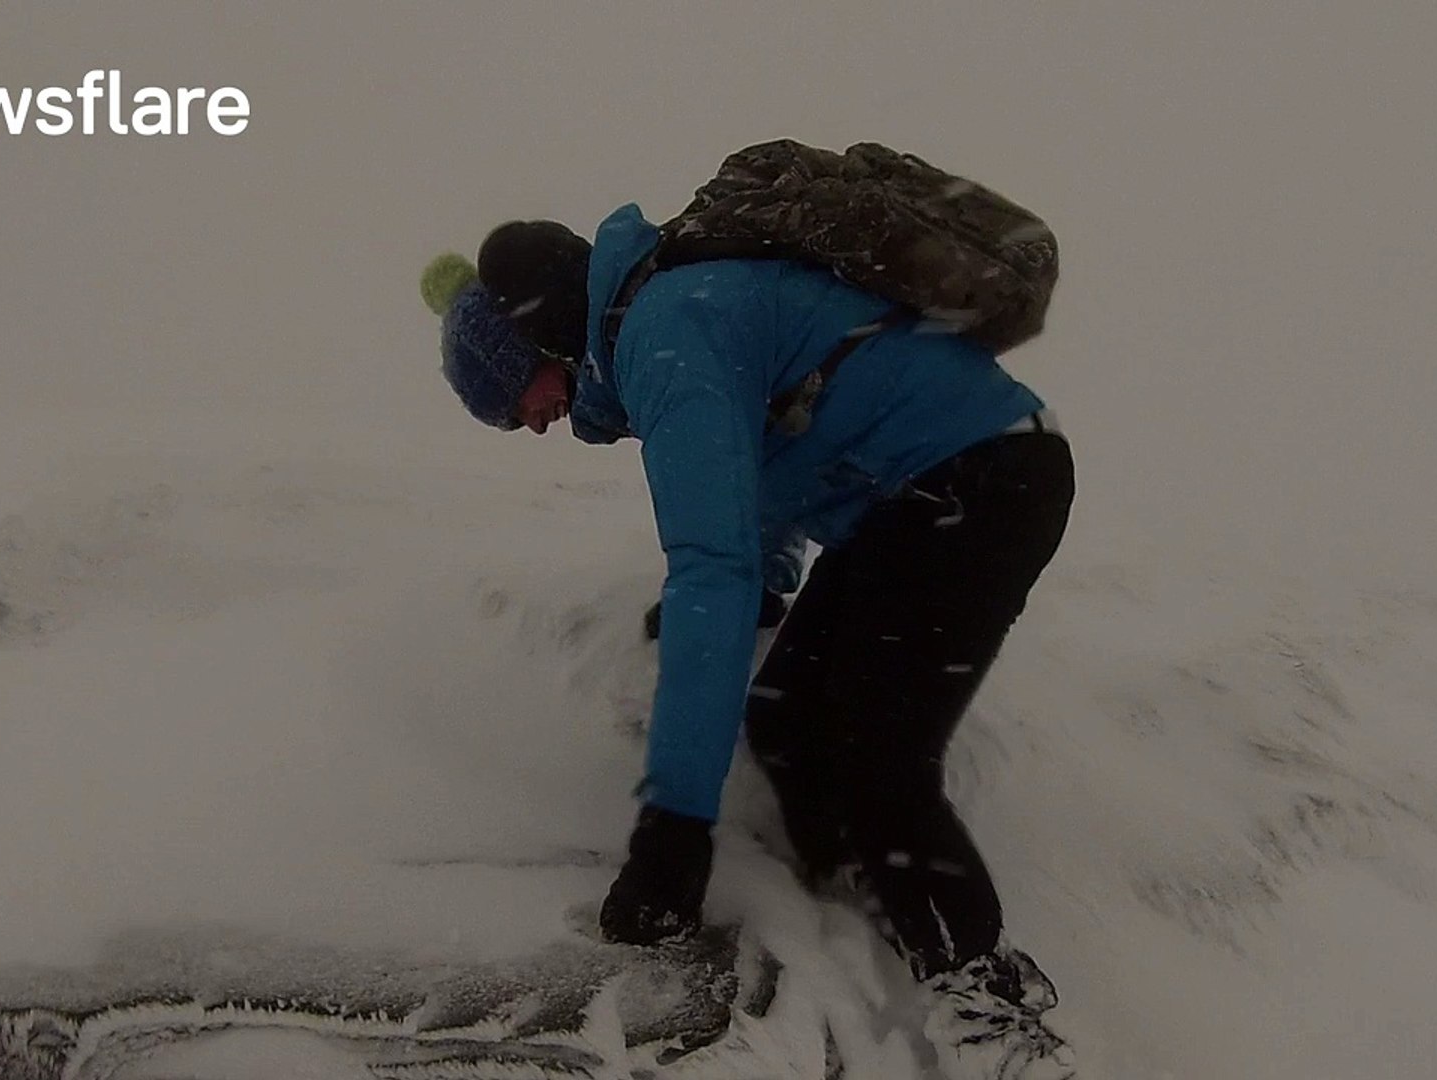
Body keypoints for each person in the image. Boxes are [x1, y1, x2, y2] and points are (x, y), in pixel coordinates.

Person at [420, 204, 1077, 1079]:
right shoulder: (667, 319)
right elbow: (765, 464)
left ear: (541, 340)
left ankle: (992, 1011)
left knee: (879, 755)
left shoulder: (666, 335)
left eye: (516, 402)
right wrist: (763, 581)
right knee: (786, 714)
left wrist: (675, 829)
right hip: (923, 493)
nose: (531, 424)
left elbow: (709, 571)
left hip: (980, 479)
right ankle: (853, 892)